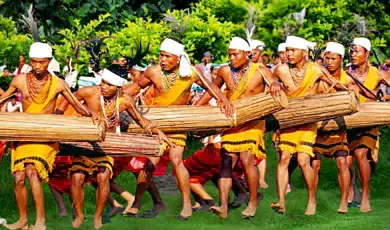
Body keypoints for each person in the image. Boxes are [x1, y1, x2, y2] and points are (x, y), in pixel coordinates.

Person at [124, 37, 233, 220]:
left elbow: (211, 87)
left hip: (177, 123)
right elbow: (131, 91)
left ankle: (187, 205)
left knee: (176, 160)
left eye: (167, 56)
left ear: (178, 57)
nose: (162, 60)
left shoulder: (190, 73)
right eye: (161, 55)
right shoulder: (153, 72)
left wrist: (224, 100)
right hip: (156, 123)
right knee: (149, 164)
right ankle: (136, 203)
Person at [56, 65, 171, 228]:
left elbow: (141, 120)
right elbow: (69, 98)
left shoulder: (124, 100)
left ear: (118, 87)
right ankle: (80, 216)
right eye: (103, 82)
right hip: (85, 144)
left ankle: (97, 217)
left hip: (106, 146)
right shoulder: (88, 92)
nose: (104, 86)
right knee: (77, 177)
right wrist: (58, 118)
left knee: (103, 178)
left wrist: (157, 131)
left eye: (109, 85)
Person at [0, 42, 96, 230]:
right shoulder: (19, 80)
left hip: (46, 135)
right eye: (34, 62)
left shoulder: (59, 83)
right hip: (25, 134)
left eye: (42, 62)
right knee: (19, 177)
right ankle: (22, 221)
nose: (37, 66)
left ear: (49, 61)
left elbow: (76, 105)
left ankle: (41, 222)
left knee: (32, 171)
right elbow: (3, 98)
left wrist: (93, 115)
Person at [195, 36, 276, 219]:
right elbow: (213, 90)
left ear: (247, 54)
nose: (231, 58)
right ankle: (223, 206)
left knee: (247, 158)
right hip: (232, 121)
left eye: (235, 55)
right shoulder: (224, 70)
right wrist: (199, 107)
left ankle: (253, 202)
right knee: (225, 162)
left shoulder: (261, 70)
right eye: (229, 55)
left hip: (253, 123)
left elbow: (274, 83)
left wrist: (276, 85)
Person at [269, 36, 338, 215]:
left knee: (302, 160)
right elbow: (268, 81)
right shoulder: (280, 70)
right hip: (289, 120)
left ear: (304, 52)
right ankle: (281, 202)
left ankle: (311, 200)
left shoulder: (316, 69)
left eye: (293, 50)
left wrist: (348, 93)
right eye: (287, 50)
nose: (288, 54)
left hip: (308, 122)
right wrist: (275, 83)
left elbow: (335, 85)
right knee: (284, 158)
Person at [344, 37, 390, 212]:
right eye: (352, 51)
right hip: (349, 121)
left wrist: (379, 96)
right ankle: (352, 190)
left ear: (367, 54)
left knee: (361, 155)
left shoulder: (377, 73)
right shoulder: (346, 72)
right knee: (347, 161)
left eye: (357, 51)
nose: (353, 55)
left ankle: (365, 196)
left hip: (369, 120)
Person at [312, 42, 350, 213]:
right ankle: (311, 201)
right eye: (327, 58)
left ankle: (343, 202)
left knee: (342, 162)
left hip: (339, 127)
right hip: (319, 127)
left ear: (341, 59)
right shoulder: (318, 75)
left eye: (334, 58)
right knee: (315, 165)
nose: (330, 61)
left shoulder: (348, 78)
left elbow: (354, 98)